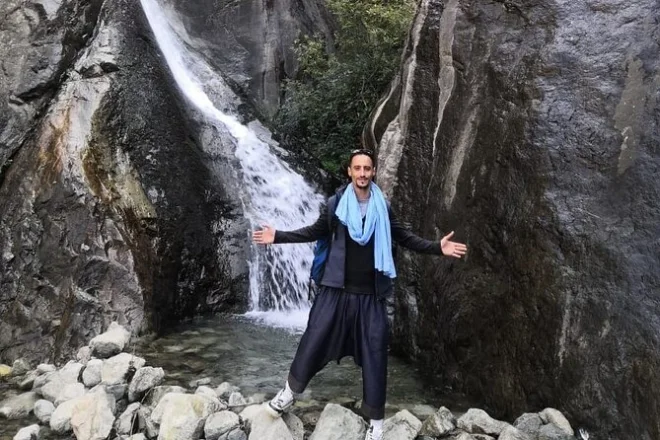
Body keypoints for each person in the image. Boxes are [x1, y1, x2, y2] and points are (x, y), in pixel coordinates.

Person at [252, 149, 467, 440]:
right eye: (358, 168)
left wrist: (437, 248)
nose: (363, 173)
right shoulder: (335, 205)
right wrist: (278, 236)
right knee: (313, 340)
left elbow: (404, 237)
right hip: (335, 292)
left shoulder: (383, 207)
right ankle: (288, 394)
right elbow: (314, 231)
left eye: (367, 168)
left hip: (370, 296)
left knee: (375, 355)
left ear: (373, 171)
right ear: (350, 172)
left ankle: (376, 423)